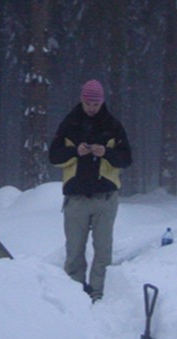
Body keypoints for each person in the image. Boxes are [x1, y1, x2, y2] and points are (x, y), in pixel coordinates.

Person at [48, 79, 132, 301]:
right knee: (74, 251)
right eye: (88, 104)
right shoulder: (70, 124)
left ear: (102, 102)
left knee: (103, 250)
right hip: (76, 199)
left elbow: (126, 159)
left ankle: (98, 292)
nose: (91, 108)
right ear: (82, 101)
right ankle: (74, 293)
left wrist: (106, 152)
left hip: (106, 198)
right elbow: (54, 156)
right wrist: (76, 152)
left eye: (95, 104)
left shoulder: (113, 125)